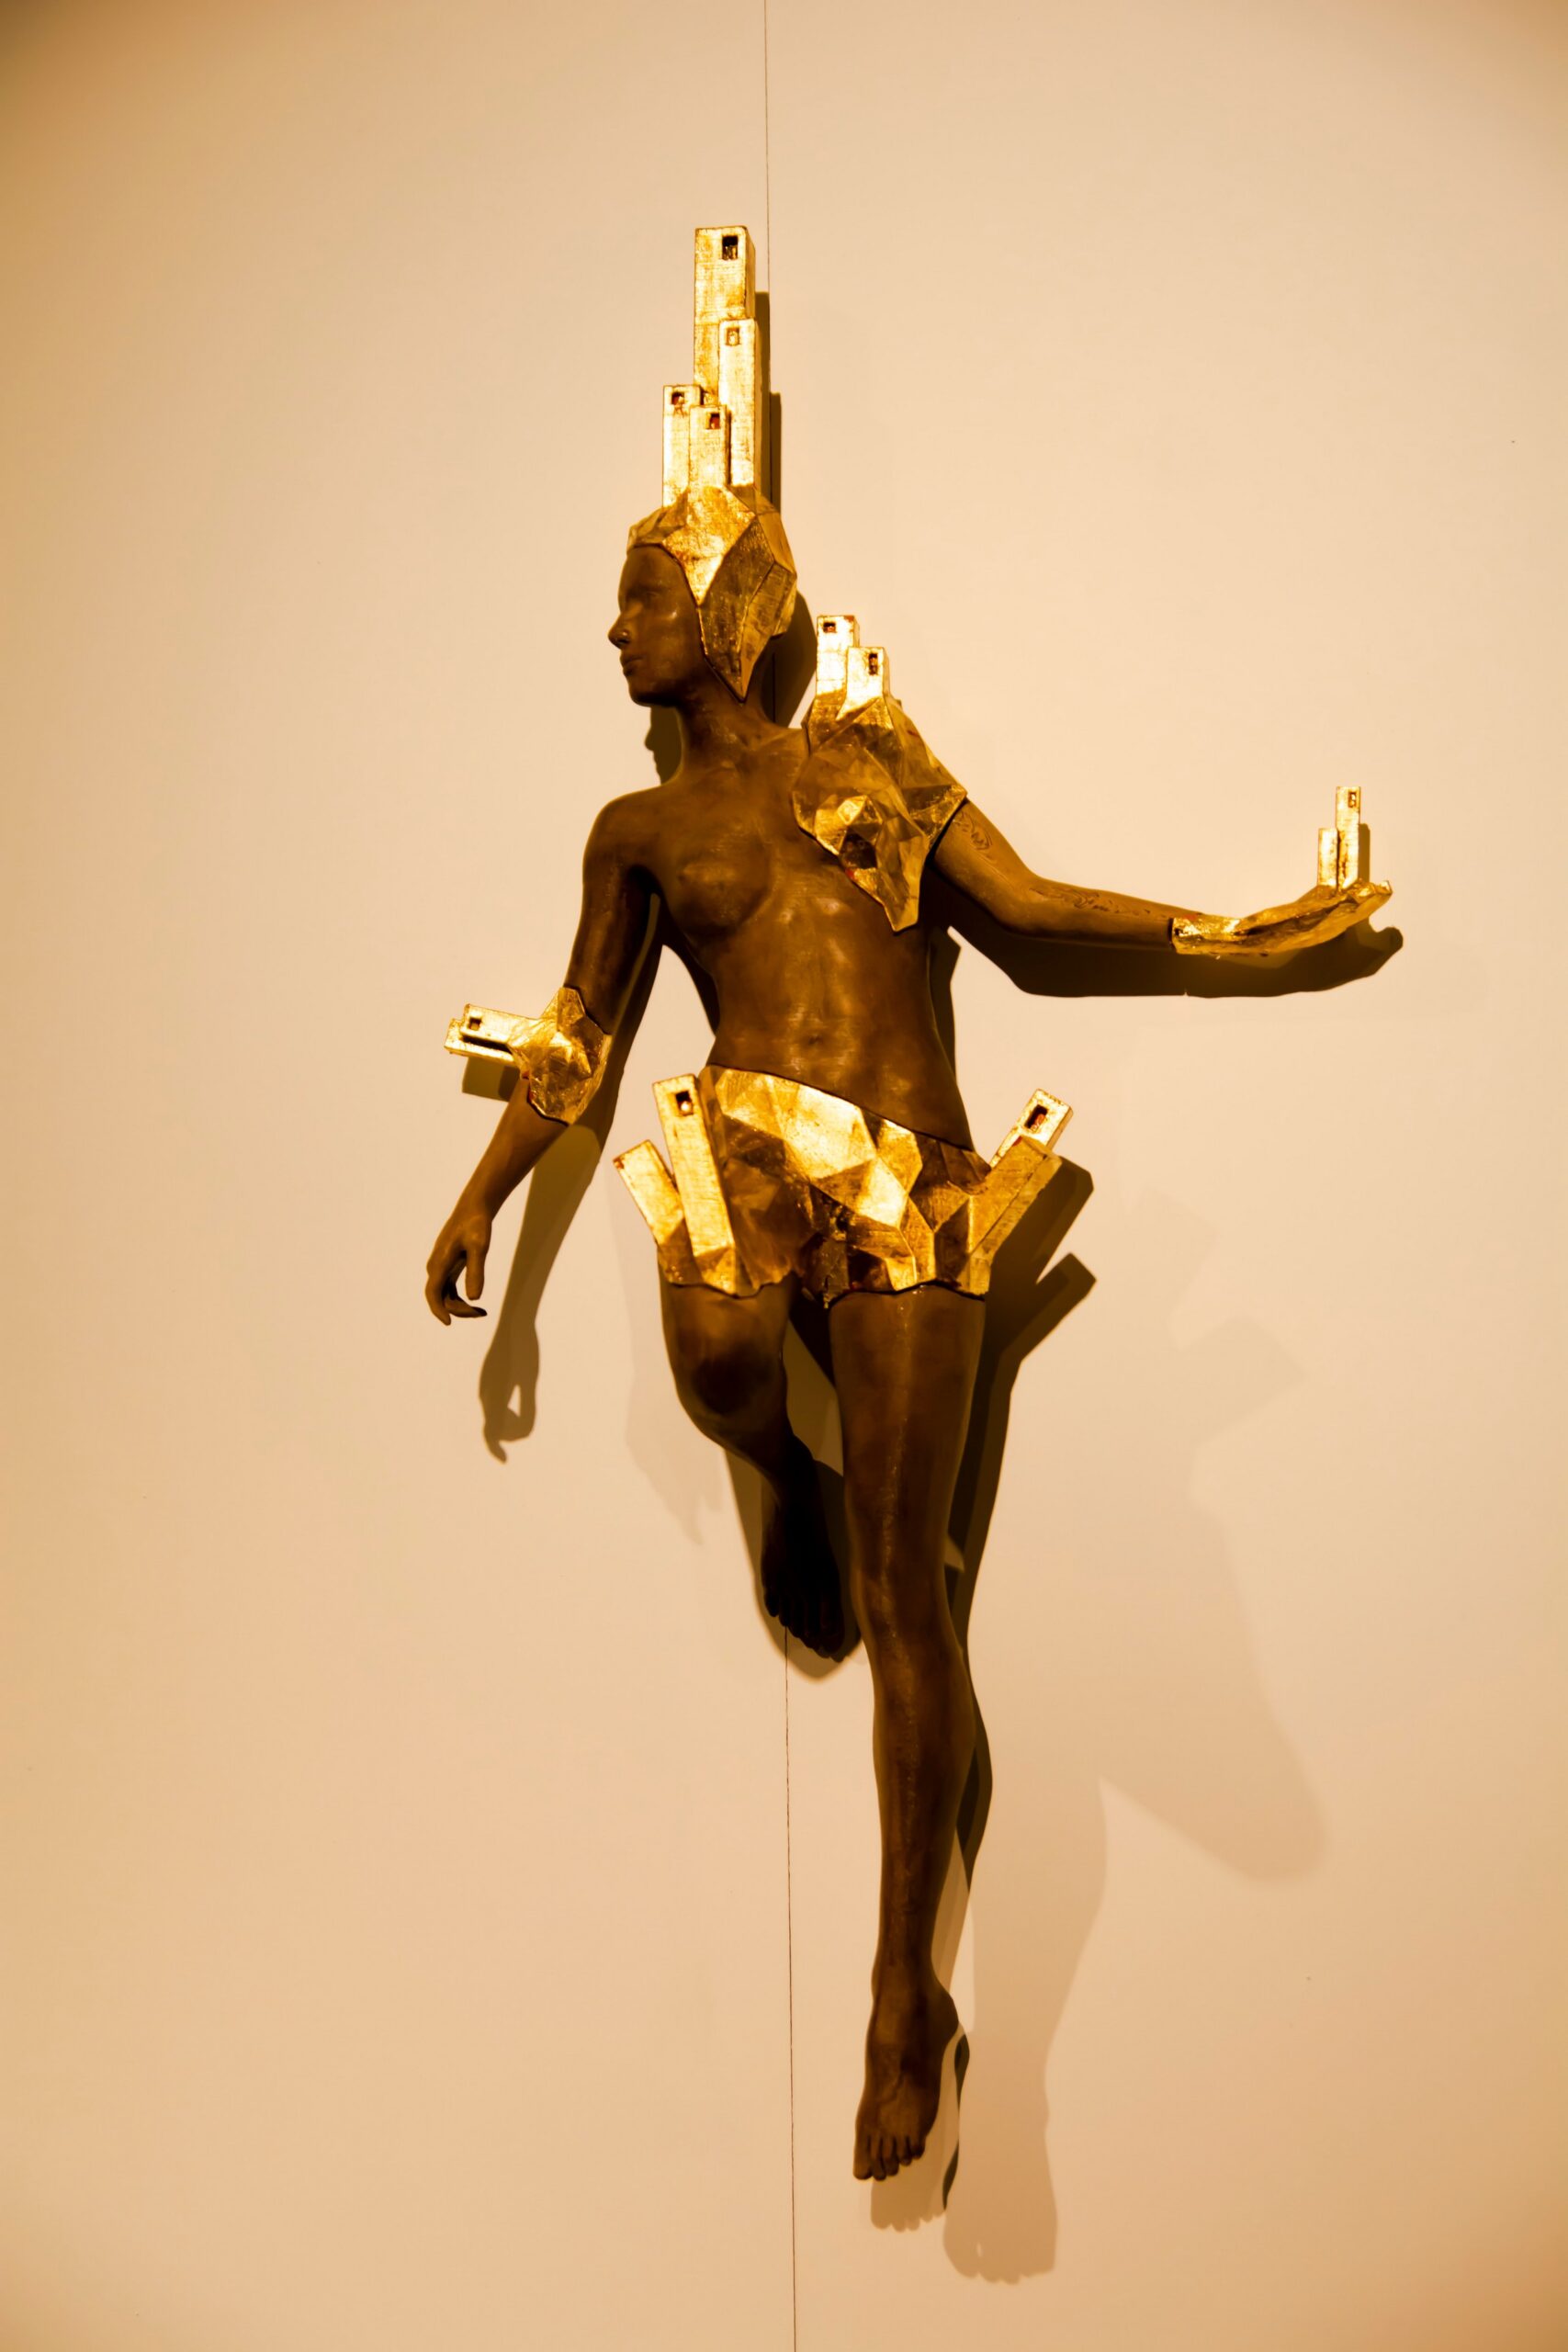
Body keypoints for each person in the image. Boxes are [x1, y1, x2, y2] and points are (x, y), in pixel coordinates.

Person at [424, 228, 1389, 2184]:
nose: (612, 629)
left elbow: (1026, 915)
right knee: (714, 1367)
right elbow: (582, 1034)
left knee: (909, 1599)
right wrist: (485, 1199)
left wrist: (1237, 932)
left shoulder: (868, 765)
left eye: (638, 594)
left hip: (915, 1192)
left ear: (724, 609)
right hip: (746, 1157)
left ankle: (899, 1990)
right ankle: (769, 1468)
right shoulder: (637, 832)